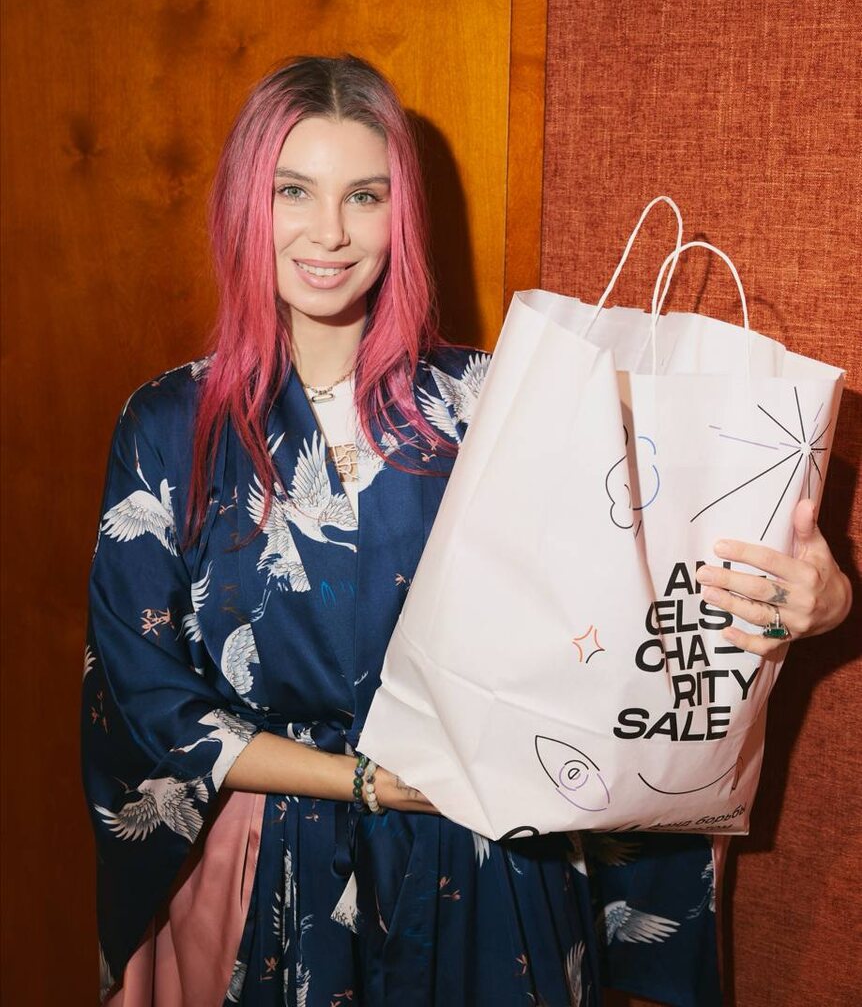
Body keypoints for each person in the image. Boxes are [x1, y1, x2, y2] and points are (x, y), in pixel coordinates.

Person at [83, 55, 851, 1007]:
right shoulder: (169, 425)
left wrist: (813, 602)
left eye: (365, 196)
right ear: (247, 203)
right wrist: (366, 783)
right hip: (272, 861)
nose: (330, 231)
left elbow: (632, 611)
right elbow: (148, 697)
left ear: (400, 213)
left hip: (489, 857)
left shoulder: (493, 401)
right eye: (294, 191)